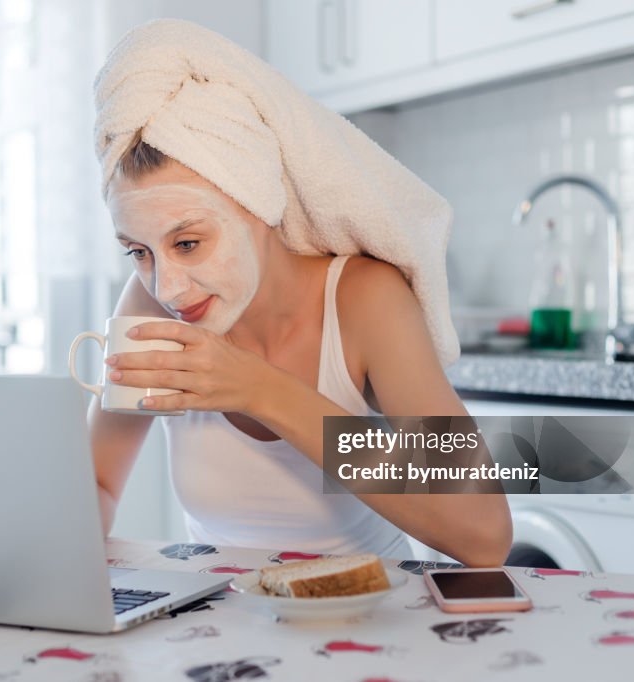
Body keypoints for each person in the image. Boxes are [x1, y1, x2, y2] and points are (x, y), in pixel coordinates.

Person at [87, 19, 511, 565]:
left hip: (371, 619)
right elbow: (98, 483)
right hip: (220, 626)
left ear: (260, 205)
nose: (166, 285)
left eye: (189, 243)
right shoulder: (150, 304)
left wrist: (259, 390)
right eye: (137, 252)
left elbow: (483, 533)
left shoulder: (364, 301)